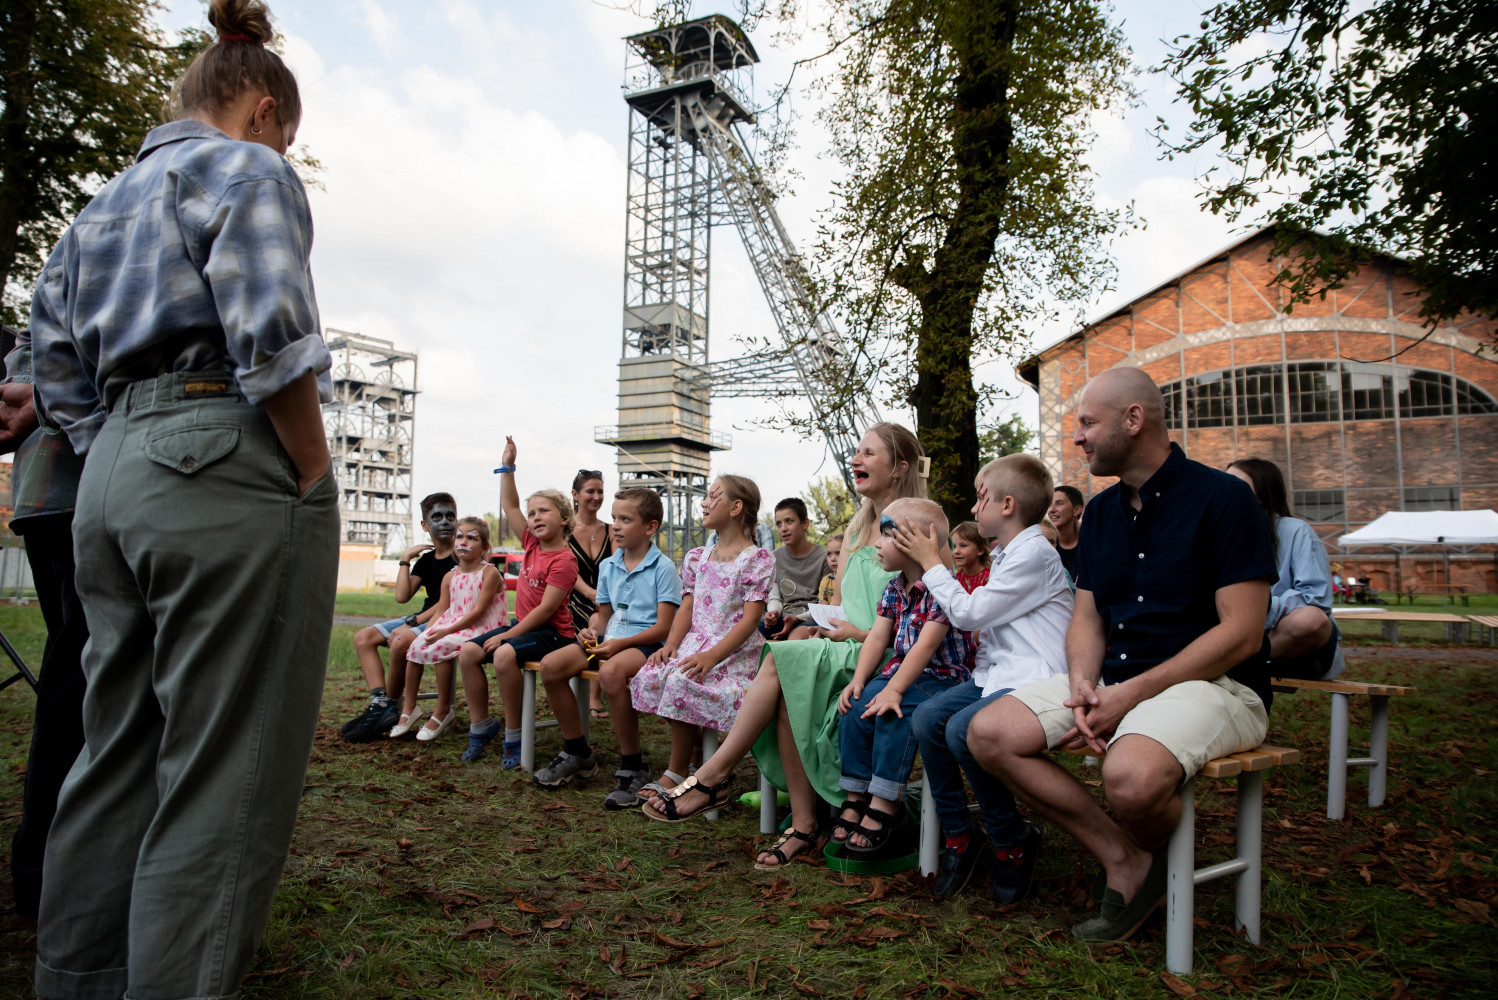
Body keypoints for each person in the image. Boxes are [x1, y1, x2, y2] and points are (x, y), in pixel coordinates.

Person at [22, 3, 341, 996]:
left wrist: (119, 446)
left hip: (108, 465)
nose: (284, 150)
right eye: (284, 133)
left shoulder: (95, 209)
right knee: (223, 761)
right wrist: (311, 469)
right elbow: (272, 328)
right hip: (221, 448)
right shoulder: (248, 170)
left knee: (114, 743)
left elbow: (53, 368)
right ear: (260, 109)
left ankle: (75, 977)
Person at [968, 367, 1275, 943]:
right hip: (1113, 682)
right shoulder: (1102, 514)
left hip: (1220, 685)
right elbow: (1087, 617)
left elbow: (1242, 634)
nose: (1077, 438)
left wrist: (1129, 695)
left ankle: (1147, 847)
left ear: (1134, 420)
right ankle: (1127, 858)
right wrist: (1084, 685)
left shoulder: (1224, 500)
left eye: (1087, 423)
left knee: (1129, 779)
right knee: (988, 733)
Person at [642, 423, 926, 871]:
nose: (856, 460)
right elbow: (839, 602)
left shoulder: (921, 524)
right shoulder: (856, 526)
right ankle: (798, 819)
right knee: (787, 664)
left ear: (900, 467)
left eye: (869, 453)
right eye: (856, 450)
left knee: (779, 664)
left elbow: (936, 610)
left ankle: (719, 778)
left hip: (892, 654)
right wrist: (816, 623)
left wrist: (857, 634)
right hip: (844, 644)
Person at [895, 453, 1073, 901]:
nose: (974, 510)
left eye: (981, 499)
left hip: (1039, 678)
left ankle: (1011, 839)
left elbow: (971, 615)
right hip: (1000, 674)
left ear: (1007, 505)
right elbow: (994, 635)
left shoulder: (1033, 552)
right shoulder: (1012, 553)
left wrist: (930, 563)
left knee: (961, 729)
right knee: (928, 720)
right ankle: (960, 833)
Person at [1, 324, 89, 921]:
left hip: (45, 494)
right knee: (81, 681)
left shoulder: (59, 271)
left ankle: (40, 870)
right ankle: (50, 874)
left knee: (69, 676)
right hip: (84, 489)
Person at [833, 499, 973, 853]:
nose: (877, 544)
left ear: (915, 541)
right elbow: (879, 638)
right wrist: (860, 680)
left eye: (886, 535)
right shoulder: (894, 588)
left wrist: (893, 691)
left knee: (893, 712)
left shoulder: (943, 588)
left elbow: (925, 649)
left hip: (941, 678)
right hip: (900, 672)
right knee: (856, 706)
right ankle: (855, 795)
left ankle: (885, 803)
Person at [632, 475, 774, 804]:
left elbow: (751, 619)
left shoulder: (756, 559)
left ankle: (678, 769)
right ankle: (696, 751)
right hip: (695, 642)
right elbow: (688, 604)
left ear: (736, 507)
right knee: (653, 675)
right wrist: (671, 644)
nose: (705, 503)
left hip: (733, 651)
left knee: (682, 681)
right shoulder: (699, 556)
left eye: (714, 497)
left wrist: (711, 657)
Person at [456, 437, 580, 767]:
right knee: (468, 652)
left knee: (503, 654)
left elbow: (545, 610)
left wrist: (507, 635)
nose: (535, 518)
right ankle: (481, 724)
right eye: (533, 513)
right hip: (525, 628)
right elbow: (510, 506)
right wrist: (508, 467)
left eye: (544, 511)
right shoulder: (530, 543)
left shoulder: (564, 560)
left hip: (554, 634)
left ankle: (514, 734)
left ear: (564, 519)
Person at [568, 487, 684, 808]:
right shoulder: (608, 566)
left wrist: (618, 645)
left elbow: (663, 627)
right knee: (560, 663)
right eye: (614, 518)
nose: (615, 526)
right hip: (614, 642)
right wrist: (591, 631)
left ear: (650, 527)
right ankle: (575, 750)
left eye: (626, 519)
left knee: (611, 673)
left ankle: (633, 766)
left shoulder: (663, 569)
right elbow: (604, 616)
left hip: (650, 644)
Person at [340, 492, 458, 742]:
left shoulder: (461, 557)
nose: (445, 521)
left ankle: (389, 708)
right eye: (437, 517)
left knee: (400, 640)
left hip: (446, 618)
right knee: (364, 638)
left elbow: (448, 604)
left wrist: (413, 623)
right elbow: (402, 596)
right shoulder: (426, 561)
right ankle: (380, 702)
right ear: (425, 525)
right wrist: (405, 559)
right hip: (424, 616)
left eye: (450, 516)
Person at [1227, 457, 1343, 681]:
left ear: (1264, 493)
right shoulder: (1223, 534)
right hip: (1243, 637)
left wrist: (1259, 607)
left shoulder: (1296, 531)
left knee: (1310, 619)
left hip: (1293, 645)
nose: (1225, 489)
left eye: (1237, 484)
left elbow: (1316, 599)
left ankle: (1232, 665)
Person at [396, 517, 507, 741]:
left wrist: (445, 632)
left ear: (484, 547)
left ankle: (442, 710)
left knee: (443, 646)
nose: (464, 542)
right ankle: (409, 708)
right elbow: (442, 610)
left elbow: (478, 611)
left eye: (472, 538)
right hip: (454, 625)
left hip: (482, 627)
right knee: (416, 646)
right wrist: (426, 632)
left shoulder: (489, 573)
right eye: (460, 536)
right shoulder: (450, 576)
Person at [567, 468, 614, 719]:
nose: (596, 496)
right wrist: (589, 593)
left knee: (602, 619)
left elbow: (618, 566)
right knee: (594, 621)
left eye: (600, 491)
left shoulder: (611, 530)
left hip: (606, 598)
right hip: (573, 597)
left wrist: (603, 598)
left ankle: (596, 693)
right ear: (575, 495)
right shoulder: (564, 530)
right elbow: (566, 569)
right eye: (590, 491)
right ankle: (588, 694)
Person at [761, 497, 829, 639]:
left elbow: (825, 603)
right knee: (748, 636)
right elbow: (775, 598)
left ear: (804, 523)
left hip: (811, 618)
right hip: (783, 617)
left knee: (794, 641)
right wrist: (773, 613)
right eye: (779, 524)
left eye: (789, 521)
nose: (783, 528)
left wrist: (797, 619)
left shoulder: (824, 557)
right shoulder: (773, 558)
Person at [1047, 484, 1084, 580]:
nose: (1051, 509)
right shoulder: (1046, 545)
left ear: (1076, 510)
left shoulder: (1091, 543)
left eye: (1059, 503)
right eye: (1050, 504)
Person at [950, 520, 991, 592]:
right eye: (954, 546)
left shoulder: (990, 579)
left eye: (963, 545)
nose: (956, 551)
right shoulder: (955, 577)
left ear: (980, 550)